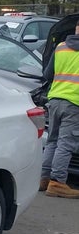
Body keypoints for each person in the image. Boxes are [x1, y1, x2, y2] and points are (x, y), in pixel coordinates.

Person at [40, 21, 79, 198]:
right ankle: (57, 182)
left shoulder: (61, 47)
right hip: (74, 103)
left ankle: (43, 178)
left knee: (52, 141)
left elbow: (47, 75)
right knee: (66, 143)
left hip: (55, 99)